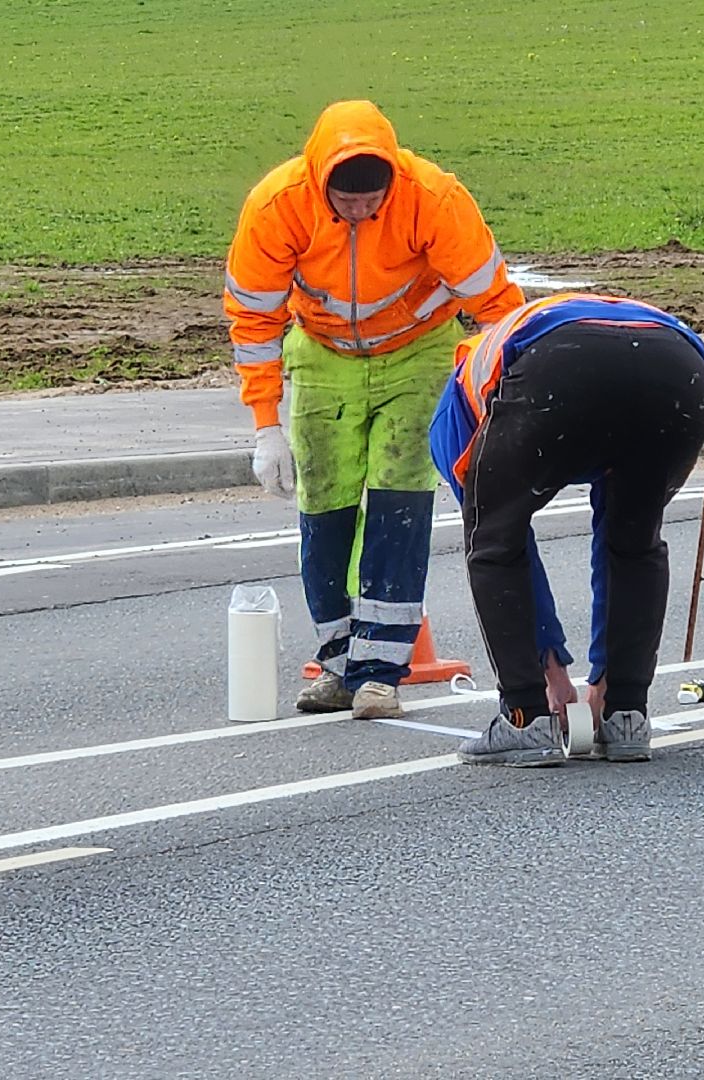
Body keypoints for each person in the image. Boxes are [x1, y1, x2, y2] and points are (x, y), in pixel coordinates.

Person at [224, 100, 524, 720]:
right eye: (346, 201)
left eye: (372, 201)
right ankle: (337, 662)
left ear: (393, 180)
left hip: (418, 353)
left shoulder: (434, 200)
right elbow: (255, 320)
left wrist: (507, 386)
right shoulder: (277, 206)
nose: (359, 211)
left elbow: (495, 304)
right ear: (319, 181)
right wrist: (265, 424)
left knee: (399, 501)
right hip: (324, 353)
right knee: (324, 506)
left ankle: (381, 672)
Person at [429, 293, 704, 767]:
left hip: (562, 369)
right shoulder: (505, 355)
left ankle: (524, 721)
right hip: (677, 368)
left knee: (492, 543)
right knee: (635, 540)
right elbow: (617, 541)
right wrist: (601, 683)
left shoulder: (451, 417)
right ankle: (627, 717)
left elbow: (502, 543)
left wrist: (546, 678)